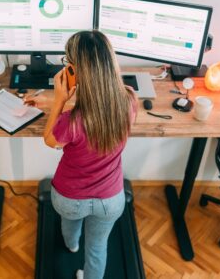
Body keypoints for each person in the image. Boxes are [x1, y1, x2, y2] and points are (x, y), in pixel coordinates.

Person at [26, 30, 137, 279]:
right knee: (98, 247)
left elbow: (49, 139)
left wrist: (59, 99)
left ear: (76, 71)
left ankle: (72, 244)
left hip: (69, 198)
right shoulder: (130, 99)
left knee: (70, 225)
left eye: (67, 63)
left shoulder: (71, 121)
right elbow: (100, 110)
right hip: (111, 200)